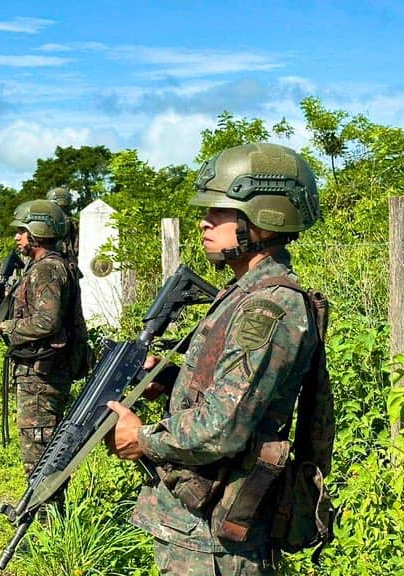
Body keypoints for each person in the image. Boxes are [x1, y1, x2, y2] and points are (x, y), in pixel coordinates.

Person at [105, 142, 323, 576]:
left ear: (264, 217)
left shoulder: (268, 307)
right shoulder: (242, 293)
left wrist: (143, 438)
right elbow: (227, 388)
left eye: (220, 212)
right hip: (197, 526)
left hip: (215, 540)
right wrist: (167, 381)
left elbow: (220, 429)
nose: (204, 222)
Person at [0, 199, 77, 477]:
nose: (17, 237)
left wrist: (5, 327)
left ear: (37, 233)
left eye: (21, 231)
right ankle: (47, 513)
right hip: (36, 371)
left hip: (42, 375)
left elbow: (47, 321)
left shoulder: (46, 269)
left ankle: (50, 517)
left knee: (40, 451)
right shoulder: (42, 267)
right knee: (39, 447)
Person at [46, 187, 79, 275]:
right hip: (63, 264)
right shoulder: (73, 223)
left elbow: (76, 249)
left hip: (61, 264)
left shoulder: (73, 224)